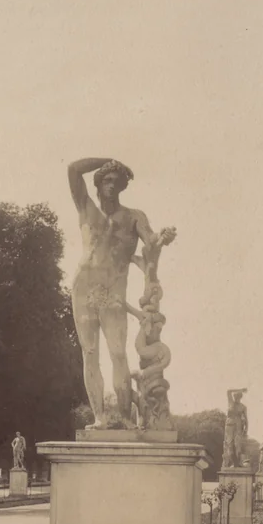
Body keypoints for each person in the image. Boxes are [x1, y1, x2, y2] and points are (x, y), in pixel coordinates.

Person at [68, 157, 175, 429]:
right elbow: (73, 169)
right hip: (83, 288)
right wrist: (108, 160)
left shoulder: (133, 217)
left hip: (113, 291)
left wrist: (162, 238)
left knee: (117, 353)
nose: (111, 185)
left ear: (123, 186)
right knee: (89, 353)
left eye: (117, 181)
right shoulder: (86, 208)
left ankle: (126, 418)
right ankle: (100, 417)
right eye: (106, 180)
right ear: (98, 184)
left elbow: (151, 241)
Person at [222, 388, 248, 468]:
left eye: (237, 396)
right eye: (235, 396)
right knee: (230, 447)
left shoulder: (243, 407)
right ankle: (234, 464)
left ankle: (238, 463)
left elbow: (246, 419)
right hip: (229, 426)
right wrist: (240, 389)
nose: (236, 398)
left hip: (238, 426)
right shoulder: (230, 402)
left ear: (240, 397)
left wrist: (246, 429)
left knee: (238, 447)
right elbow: (228, 391)